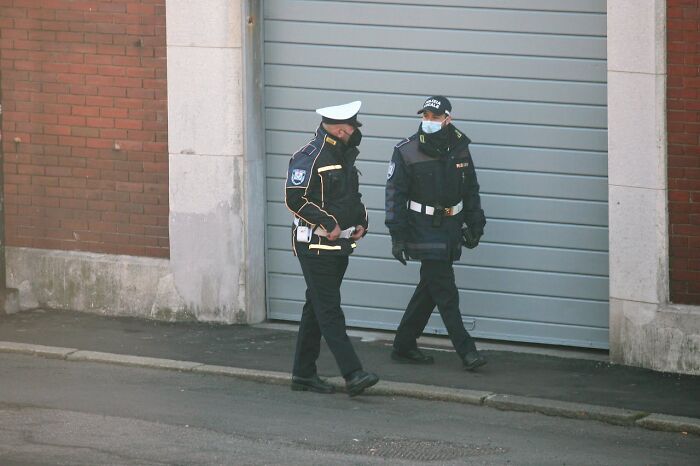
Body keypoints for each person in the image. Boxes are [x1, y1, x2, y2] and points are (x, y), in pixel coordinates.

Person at [385, 96, 487, 370]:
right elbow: (395, 195)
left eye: (435, 116)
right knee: (445, 290)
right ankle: (467, 351)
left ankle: (403, 345)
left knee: (429, 289)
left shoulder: (460, 148)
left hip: (451, 228)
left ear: (447, 119)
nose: (428, 121)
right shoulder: (407, 150)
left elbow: (470, 190)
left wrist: (476, 225)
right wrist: (398, 235)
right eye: (425, 116)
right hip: (423, 229)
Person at [285, 100, 379, 396]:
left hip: (338, 246)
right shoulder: (309, 156)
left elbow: (350, 196)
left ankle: (303, 374)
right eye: (353, 127)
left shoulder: (343, 155)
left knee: (316, 308)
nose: (356, 132)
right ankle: (353, 374)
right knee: (329, 310)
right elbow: (295, 199)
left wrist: (362, 220)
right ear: (341, 129)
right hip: (315, 246)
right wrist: (328, 222)